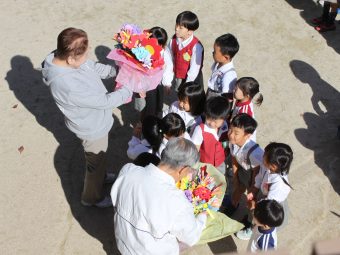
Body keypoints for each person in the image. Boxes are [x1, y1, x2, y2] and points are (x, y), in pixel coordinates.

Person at [42, 27, 132, 208]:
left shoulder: (62, 58)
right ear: (69, 58)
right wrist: (128, 89)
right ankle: (92, 197)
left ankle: (101, 174)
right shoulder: (67, 84)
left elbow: (90, 66)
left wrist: (114, 71)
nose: (87, 58)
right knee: (95, 162)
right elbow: (103, 101)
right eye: (83, 56)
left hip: (94, 120)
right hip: (92, 128)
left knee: (98, 159)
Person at [111, 138, 207, 255]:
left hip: (124, 245)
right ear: (183, 169)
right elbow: (191, 237)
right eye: (189, 171)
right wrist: (202, 216)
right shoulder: (176, 201)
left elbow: (114, 199)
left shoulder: (128, 170)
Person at [228, 113, 264, 240]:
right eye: (230, 129)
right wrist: (236, 177)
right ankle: (233, 205)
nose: (230, 134)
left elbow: (257, 171)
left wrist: (253, 190)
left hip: (254, 179)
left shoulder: (255, 152)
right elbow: (234, 160)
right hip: (243, 171)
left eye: (236, 132)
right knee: (236, 191)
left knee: (252, 205)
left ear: (247, 135)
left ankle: (251, 225)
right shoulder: (233, 141)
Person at [247, 143, 293, 229]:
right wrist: (254, 189)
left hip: (271, 205)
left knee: (263, 219)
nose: (262, 156)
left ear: (274, 166)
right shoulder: (266, 166)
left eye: (265, 155)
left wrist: (254, 207)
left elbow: (268, 206)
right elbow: (260, 176)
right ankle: (253, 221)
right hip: (265, 193)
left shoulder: (279, 185)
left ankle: (254, 226)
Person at [134, 27, 174, 120]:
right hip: (145, 83)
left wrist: (167, 83)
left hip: (157, 84)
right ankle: (145, 120)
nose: (157, 47)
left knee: (157, 104)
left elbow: (168, 69)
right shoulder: (142, 50)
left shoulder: (165, 54)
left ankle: (154, 118)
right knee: (145, 106)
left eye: (159, 45)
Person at [191, 96, 231, 174]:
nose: (212, 124)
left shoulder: (226, 126)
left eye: (215, 121)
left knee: (219, 181)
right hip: (204, 165)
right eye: (209, 118)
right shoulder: (200, 130)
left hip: (220, 163)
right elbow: (194, 150)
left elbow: (226, 144)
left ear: (225, 117)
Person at [169, 11, 204, 91]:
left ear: (190, 31)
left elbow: (194, 69)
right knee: (178, 93)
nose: (176, 29)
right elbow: (170, 56)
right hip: (178, 75)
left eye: (181, 27)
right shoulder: (173, 40)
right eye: (176, 25)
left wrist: (187, 85)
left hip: (192, 79)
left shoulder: (196, 46)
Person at [206, 33, 239, 101]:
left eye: (215, 52)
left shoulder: (229, 75)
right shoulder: (218, 62)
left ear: (226, 57)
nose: (212, 53)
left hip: (217, 104)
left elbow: (228, 99)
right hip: (210, 95)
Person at [231, 77, 263, 142]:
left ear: (247, 95)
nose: (233, 90)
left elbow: (240, 134)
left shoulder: (244, 112)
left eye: (236, 89)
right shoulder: (240, 100)